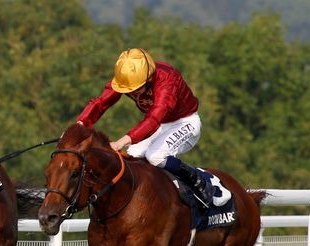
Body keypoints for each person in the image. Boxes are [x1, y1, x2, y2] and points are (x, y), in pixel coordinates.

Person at [75, 48, 217, 208]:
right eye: (128, 90)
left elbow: (155, 118)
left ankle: (198, 181)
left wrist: (121, 142)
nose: (132, 93)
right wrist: (78, 126)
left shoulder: (167, 79)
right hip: (157, 125)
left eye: (136, 88)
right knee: (131, 156)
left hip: (185, 122)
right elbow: (100, 103)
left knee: (155, 156)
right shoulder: (127, 79)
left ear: (149, 77)